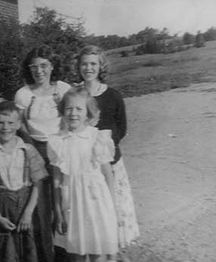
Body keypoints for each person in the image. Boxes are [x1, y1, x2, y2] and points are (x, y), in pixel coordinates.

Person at [75, 45, 139, 261]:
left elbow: (121, 128)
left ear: (100, 66)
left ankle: (112, 255)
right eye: (84, 63)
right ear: (79, 66)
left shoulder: (113, 95)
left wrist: (104, 146)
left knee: (111, 212)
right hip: (84, 167)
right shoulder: (75, 94)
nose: (88, 68)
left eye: (93, 63)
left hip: (109, 164)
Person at [14, 45, 71, 262]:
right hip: (35, 150)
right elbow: (21, 125)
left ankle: (70, 253)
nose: (39, 71)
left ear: (52, 66)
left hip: (61, 149)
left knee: (65, 202)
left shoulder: (63, 89)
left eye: (44, 66)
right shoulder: (24, 94)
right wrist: (31, 149)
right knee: (41, 208)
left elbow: (71, 118)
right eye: (34, 67)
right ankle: (46, 255)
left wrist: (62, 145)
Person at [47, 89, 118, 262]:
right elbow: (56, 180)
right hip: (71, 202)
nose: (73, 113)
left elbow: (108, 174)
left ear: (88, 113)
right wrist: (58, 211)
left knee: (97, 249)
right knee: (76, 252)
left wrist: (112, 207)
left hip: (96, 201)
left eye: (79, 109)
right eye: (69, 108)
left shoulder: (96, 138)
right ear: (63, 111)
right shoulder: (58, 141)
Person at [0, 101, 48, 262]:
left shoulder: (28, 150)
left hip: (27, 208)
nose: (5, 127)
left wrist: (29, 213)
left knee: (30, 250)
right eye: (1, 123)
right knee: (5, 252)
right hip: (2, 210)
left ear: (18, 124)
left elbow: (38, 183)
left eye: (10, 123)